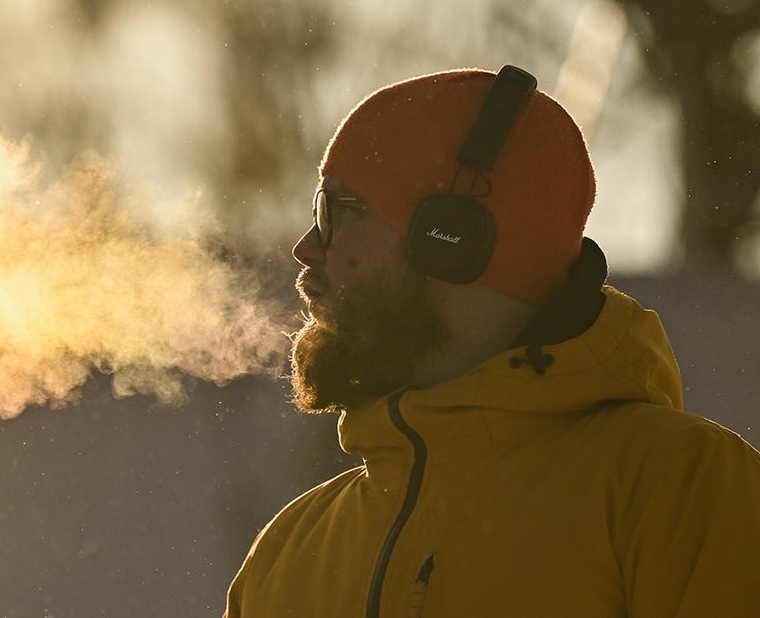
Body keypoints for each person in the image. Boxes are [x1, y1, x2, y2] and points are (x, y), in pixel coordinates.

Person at [223, 68, 760, 617]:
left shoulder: (679, 487)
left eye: (337, 212)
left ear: (449, 238)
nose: (306, 248)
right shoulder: (285, 555)